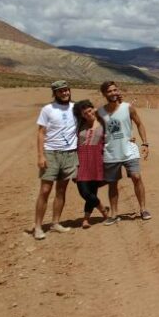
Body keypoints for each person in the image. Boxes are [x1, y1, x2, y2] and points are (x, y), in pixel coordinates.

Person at [98, 81, 151, 223]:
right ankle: (114, 214)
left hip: (129, 149)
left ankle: (143, 209)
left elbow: (139, 124)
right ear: (104, 94)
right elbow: (98, 131)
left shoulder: (128, 108)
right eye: (109, 91)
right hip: (111, 152)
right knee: (112, 183)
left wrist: (144, 142)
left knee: (136, 177)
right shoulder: (100, 112)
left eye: (115, 90)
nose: (113, 93)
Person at [33, 80, 77, 240]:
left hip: (70, 153)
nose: (65, 93)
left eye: (66, 90)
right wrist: (40, 155)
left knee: (61, 190)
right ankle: (37, 226)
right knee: (45, 190)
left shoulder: (75, 107)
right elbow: (41, 133)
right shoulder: (47, 109)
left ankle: (55, 222)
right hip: (51, 153)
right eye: (61, 91)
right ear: (55, 93)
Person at [72, 99, 108, 228]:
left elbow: (106, 113)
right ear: (81, 115)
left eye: (90, 110)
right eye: (85, 113)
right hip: (81, 161)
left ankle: (86, 219)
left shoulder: (103, 122)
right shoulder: (80, 124)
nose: (88, 114)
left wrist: (96, 109)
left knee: (92, 191)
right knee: (84, 192)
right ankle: (103, 209)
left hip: (97, 161)